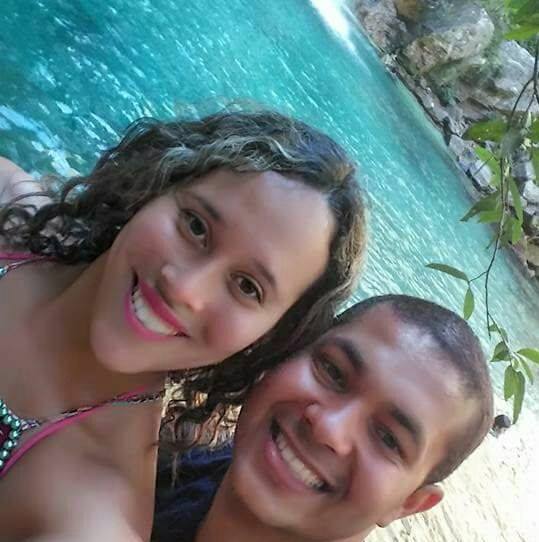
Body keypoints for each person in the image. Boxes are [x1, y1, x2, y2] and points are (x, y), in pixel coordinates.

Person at [0, 109, 366, 541]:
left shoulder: (95, 516)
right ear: (159, 182)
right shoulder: (10, 204)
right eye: (195, 226)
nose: (185, 288)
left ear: (265, 339)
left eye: (247, 287)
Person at [153, 294, 494, 542]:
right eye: (332, 371)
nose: (329, 428)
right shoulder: (163, 459)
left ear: (408, 504)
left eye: (389, 439)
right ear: (288, 353)